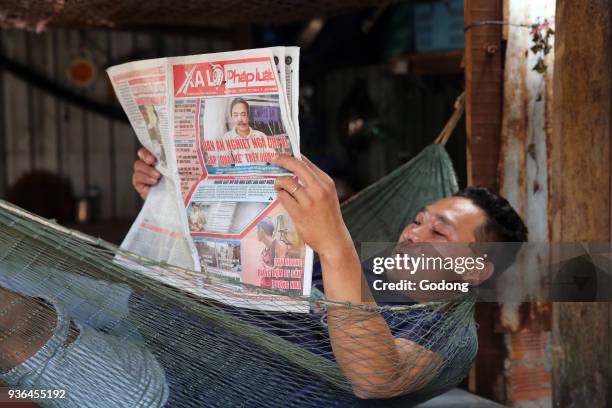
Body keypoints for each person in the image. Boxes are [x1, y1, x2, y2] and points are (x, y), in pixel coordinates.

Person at [132, 148, 528, 401]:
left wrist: (335, 244)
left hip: (176, 382)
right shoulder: (365, 267)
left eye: (438, 231)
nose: (412, 232)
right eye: (417, 220)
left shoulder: (447, 330)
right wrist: (169, 203)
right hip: (162, 322)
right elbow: (236, 259)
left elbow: (377, 379)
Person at [223, 98, 277, 164]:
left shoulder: (261, 136)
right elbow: (224, 166)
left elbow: (274, 159)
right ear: (232, 117)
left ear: (248, 116)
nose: (239, 119)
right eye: (235, 115)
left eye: (243, 114)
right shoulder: (227, 138)